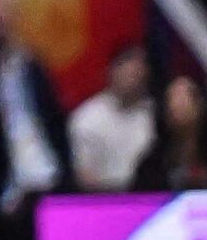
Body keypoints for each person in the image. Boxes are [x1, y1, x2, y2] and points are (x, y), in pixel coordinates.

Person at [69, 46, 164, 193]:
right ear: (112, 71)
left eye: (139, 71)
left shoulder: (157, 115)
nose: (135, 76)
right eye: (129, 71)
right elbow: (85, 176)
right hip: (103, 200)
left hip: (151, 198)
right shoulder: (87, 117)